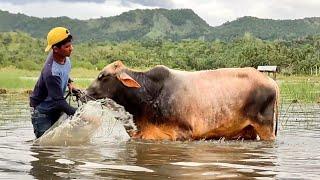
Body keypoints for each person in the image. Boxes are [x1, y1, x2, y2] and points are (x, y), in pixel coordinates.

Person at [29, 27, 79, 138]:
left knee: (60, 140)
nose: (71, 49)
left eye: (71, 45)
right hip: (42, 111)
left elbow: (63, 74)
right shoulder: (51, 72)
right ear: (55, 49)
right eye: (67, 47)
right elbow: (59, 101)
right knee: (44, 146)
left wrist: (70, 82)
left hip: (55, 107)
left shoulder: (66, 59)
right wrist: (80, 113)